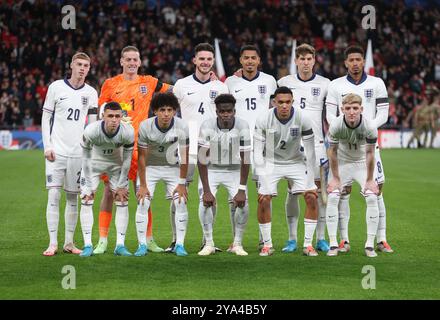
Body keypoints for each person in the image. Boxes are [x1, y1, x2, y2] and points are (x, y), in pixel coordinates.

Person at [95, 46, 171, 254]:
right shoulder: (110, 84)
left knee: (144, 193)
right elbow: (101, 112)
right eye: (127, 59)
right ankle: (103, 240)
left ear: (139, 62)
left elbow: (175, 90)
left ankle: (148, 239)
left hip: (141, 147)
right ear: (121, 61)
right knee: (110, 193)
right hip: (115, 148)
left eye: (134, 59)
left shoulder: (149, 82)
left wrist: (208, 81)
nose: (131, 63)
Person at [326, 45, 393, 253]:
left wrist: (366, 126)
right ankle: (343, 241)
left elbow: (384, 113)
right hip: (345, 146)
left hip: (368, 144)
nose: (355, 63)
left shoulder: (377, 83)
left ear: (363, 61)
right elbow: (330, 115)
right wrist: (348, 126)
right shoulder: (336, 85)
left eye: (358, 59)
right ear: (345, 62)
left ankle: (381, 239)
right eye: (351, 60)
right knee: (341, 193)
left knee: (376, 191)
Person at [172, 43, 228, 253]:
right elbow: (171, 113)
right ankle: (176, 240)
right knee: (179, 193)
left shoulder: (221, 88)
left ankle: (208, 240)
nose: (205, 62)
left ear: (213, 62)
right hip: (186, 147)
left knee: (209, 194)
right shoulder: (181, 85)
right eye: (201, 58)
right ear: (194, 60)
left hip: (212, 149)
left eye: (209, 59)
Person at [41, 52, 98, 256]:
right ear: (71, 65)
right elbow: (46, 118)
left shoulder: (91, 93)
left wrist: (89, 153)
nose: (82, 68)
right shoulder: (56, 87)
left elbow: (92, 126)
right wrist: (47, 146)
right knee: (54, 195)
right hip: (56, 151)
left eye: (86, 65)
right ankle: (53, 243)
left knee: (73, 197)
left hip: (78, 153)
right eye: (79, 64)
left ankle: (69, 243)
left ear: (89, 69)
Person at [277, 43, 331, 253]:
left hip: (316, 145)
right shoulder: (284, 82)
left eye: (309, 59)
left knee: (316, 192)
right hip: (292, 145)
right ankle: (292, 239)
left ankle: (321, 238)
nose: (306, 63)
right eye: (302, 59)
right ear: (296, 61)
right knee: (292, 192)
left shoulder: (325, 84)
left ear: (314, 60)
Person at [254, 86, 318, 257]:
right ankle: (267, 245)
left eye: (287, 102)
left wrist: (311, 179)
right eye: (280, 102)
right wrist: (263, 180)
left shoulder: (302, 117)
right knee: (263, 199)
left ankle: (308, 245)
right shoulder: (263, 119)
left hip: (296, 161)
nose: (284, 106)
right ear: (274, 102)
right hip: (270, 162)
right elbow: (257, 153)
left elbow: (311, 152)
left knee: (311, 196)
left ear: (292, 102)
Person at [225, 44, 277, 249]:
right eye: (245, 58)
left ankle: (265, 239)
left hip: (263, 143)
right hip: (236, 143)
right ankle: (235, 240)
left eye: (253, 58)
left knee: (264, 193)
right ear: (240, 60)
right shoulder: (230, 82)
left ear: (259, 60)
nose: (249, 61)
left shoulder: (270, 81)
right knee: (235, 194)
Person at [135, 92, 190, 257]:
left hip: (172, 167)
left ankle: (179, 244)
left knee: (181, 201)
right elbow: (142, 157)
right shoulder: (145, 126)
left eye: (169, 110)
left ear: (175, 111)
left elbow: (184, 156)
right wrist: (143, 185)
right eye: (162, 110)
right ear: (155, 111)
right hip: (150, 167)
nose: (166, 114)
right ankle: (142, 245)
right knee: (143, 202)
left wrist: (182, 183)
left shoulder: (182, 125)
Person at [325, 93, 380, 258]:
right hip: (342, 163)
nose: (351, 112)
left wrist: (370, 180)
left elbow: (370, 153)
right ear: (342, 109)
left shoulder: (369, 126)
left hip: (362, 164)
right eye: (348, 108)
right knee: (333, 196)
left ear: (361, 109)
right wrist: (335, 178)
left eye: (355, 108)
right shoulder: (335, 125)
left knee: (371, 197)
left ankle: (370, 245)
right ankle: (334, 243)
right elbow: (332, 152)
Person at [197, 94, 251, 256]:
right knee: (204, 201)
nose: (225, 114)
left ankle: (237, 244)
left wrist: (241, 189)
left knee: (243, 202)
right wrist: (206, 190)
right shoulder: (207, 125)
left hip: (234, 170)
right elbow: (201, 158)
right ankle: (209, 243)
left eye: (229, 111)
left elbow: (246, 158)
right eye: (222, 111)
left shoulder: (243, 125)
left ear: (234, 111)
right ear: (217, 112)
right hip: (212, 169)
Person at [78, 102, 134, 257]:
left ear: (122, 116)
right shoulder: (91, 131)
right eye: (110, 116)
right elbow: (86, 158)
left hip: (116, 165)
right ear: (103, 116)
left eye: (117, 116)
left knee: (122, 200)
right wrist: (89, 185)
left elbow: (127, 160)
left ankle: (120, 246)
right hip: (93, 165)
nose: (114, 120)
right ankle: (88, 244)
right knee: (87, 199)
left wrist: (122, 185)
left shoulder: (128, 131)